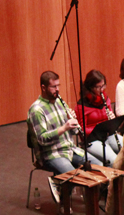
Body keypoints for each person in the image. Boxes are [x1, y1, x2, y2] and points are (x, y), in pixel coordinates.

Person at [28, 71, 102, 205]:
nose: (57, 90)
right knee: (71, 175)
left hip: (69, 149)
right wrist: (64, 127)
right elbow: (41, 139)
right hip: (51, 154)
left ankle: (62, 185)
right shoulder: (36, 110)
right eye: (53, 87)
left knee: (99, 166)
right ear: (43, 88)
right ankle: (64, 199)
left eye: (58, 86)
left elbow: (72, 132)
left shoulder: (60, 102)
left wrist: (73, 123)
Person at [75, 70, 122, 166]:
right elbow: (82, 130)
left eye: (103, 86)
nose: (102, 89)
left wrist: (112, 120)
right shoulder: (82, 105)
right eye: (98, 87)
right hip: (92, 140)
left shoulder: (105, 98)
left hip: (108, 135)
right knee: (114, 160)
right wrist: (98, 128)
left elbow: (110, 115)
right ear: (90, 87)